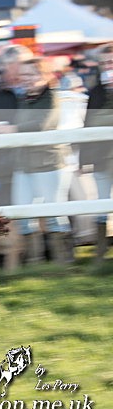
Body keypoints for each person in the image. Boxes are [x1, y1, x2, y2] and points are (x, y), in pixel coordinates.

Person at [10, 58, 74, 264]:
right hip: (24, 164)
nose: (25, 79)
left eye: (30, 75)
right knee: (24, 215)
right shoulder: (24, 99)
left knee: (55, 214)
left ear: (44, 75)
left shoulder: (52, 97)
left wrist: (13, 130)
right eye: (23, 75)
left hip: (49, 163)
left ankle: (63, 262)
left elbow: (42, 124)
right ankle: (34, 264)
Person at [0, 44, 32, 209]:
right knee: (6, 205)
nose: (13, 69)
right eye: (9, 65)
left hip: (33, 155)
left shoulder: (36, 87)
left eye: (18, 64)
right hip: (4, 158)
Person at [81, 43, 113, 264]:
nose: (106, 67)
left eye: (110, 62)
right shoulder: (95, 92)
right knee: (101, 203)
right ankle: (100, 254)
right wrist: (84, 159)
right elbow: (88, 125)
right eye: (103, 63)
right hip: (101, 157)